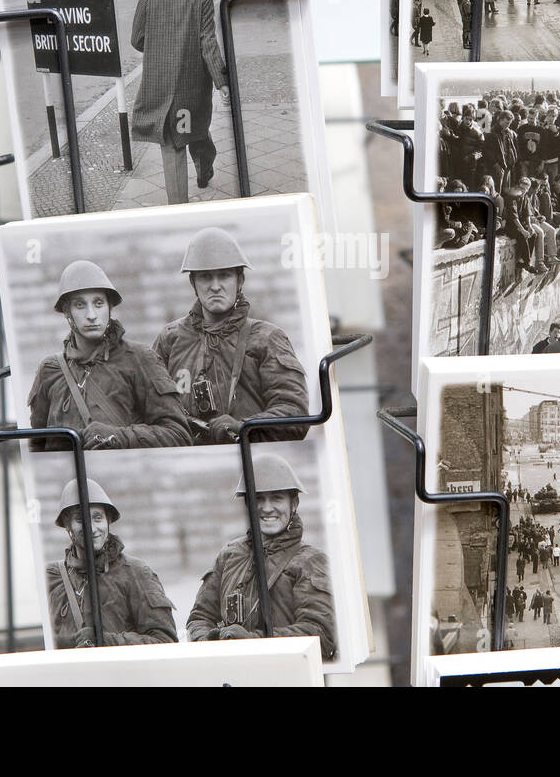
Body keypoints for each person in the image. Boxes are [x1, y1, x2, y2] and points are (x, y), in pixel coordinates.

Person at [154, 227, 309, 445]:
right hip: (185, 460)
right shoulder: (169, 339)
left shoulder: (266, 338)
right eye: (206, 277)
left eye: (224, 276)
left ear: (240, 280)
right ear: (193, 284)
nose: (215, 286)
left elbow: (294, 412)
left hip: (248, 457)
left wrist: (245, 427)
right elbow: (150, 408)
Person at [28, 261, 191, 452]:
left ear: (109, 307)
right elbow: (37, 447)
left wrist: (118, 436)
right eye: (80, 305)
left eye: (98, 303)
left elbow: (178, 434)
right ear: (67, 311)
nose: (91, 315)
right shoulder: (50, 370)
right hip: (68, 479)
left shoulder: (140, 359)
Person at [187, 453, 338, 659]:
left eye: (277, 497)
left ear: (294, 503)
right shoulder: (229, 555)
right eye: (258, 498)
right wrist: (208, 640)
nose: (267, 508)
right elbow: (200, 617)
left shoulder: (311, 561)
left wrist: (251, 641)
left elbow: (320, 635)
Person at [130, 0, 229, 203]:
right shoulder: (202, 1)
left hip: (158, 84)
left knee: (173, 143)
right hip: (192, 84)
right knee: (193, 129)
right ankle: (204, 169)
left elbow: (137, 40)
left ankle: (178, 205)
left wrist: (159, 49)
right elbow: (208, 43)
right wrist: (222, 82)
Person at [47, 477, 178, 648]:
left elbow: (165, 641)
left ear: (108, 520)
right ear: (67, 525)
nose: (92, 529)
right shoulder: (51, 577)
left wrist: (105, 640)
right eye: (80, 520)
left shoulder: (136, 573)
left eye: (98, 518)